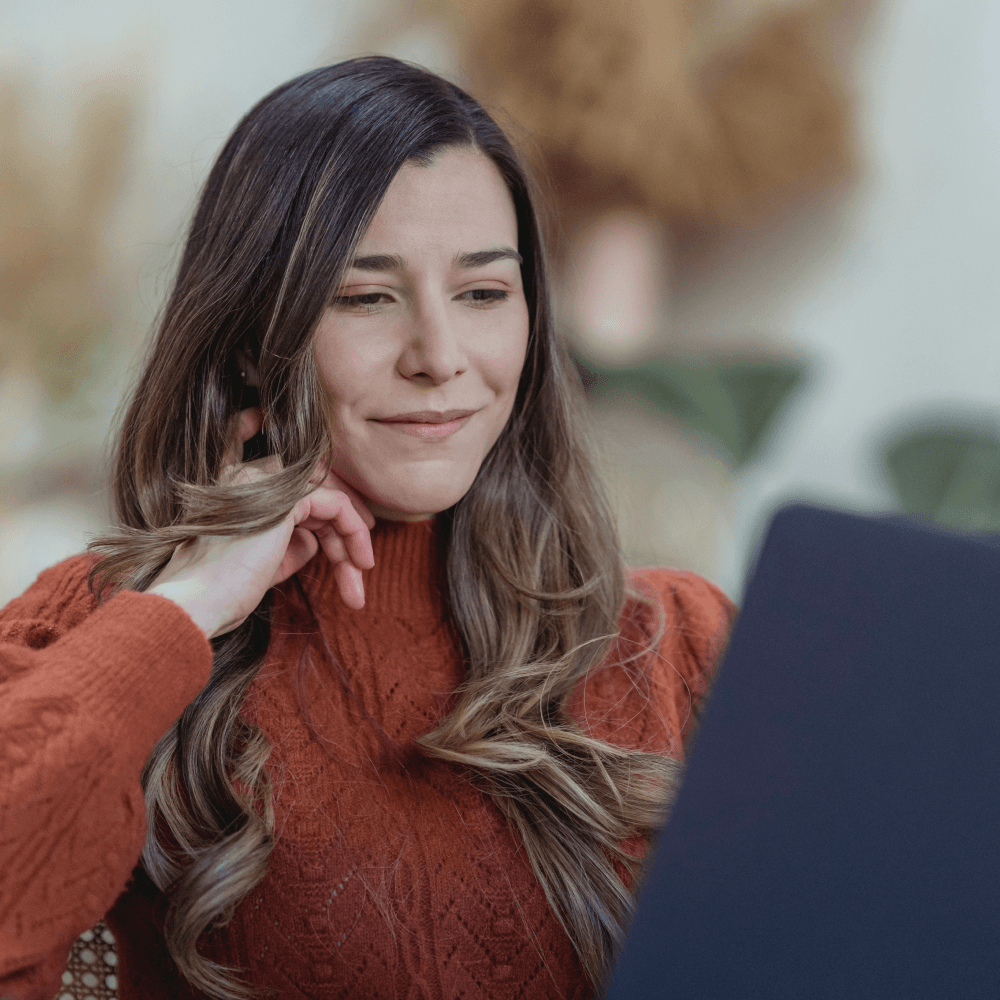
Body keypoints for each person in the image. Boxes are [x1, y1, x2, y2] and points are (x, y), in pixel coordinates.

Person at [0, 57, 734, 1000]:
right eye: (365, 296)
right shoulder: (105, 631)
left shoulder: (679, 647)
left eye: (482, 293)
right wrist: (187, 606)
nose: (439, 357)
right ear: (253, 335)